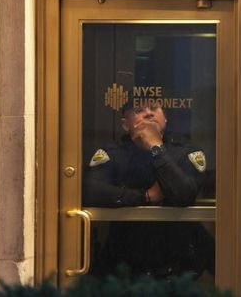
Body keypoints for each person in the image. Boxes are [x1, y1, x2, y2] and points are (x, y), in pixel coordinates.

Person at [83, 102, 214, 278]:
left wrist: (156, 148)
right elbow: (89, 191)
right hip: (123, 268)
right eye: (139, 110)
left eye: (154, 109)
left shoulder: (185, 151)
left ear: (165, 119)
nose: (148, 114)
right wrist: (145, 196)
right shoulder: (113, 151)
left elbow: (184, 195)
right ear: (125, 124)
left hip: (176, 268)